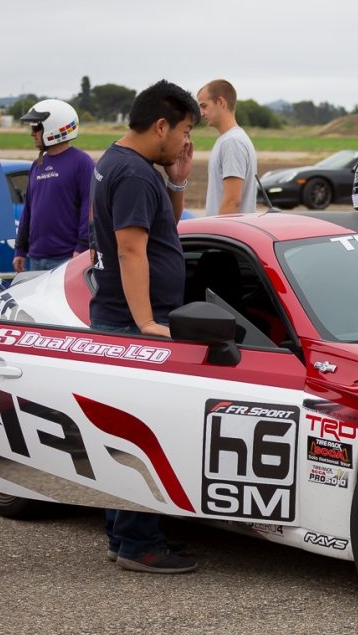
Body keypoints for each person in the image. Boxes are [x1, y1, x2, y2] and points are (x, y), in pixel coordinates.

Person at [89, 79, 199, 574]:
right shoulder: (132, 173)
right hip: (129, 323)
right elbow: (131, 248)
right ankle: (138, 543)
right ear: (161, 125)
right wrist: (147, 322)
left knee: (120, 428)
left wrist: (177, 178)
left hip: (121, 316)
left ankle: (121, 535)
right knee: (138, 432)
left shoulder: (125, 163)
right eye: (184, 131)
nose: (185, 141)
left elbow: (164, 228)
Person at [13, 99, 95, 272]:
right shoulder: (37, 164)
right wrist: (20, 249)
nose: (32, 134)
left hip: (67, 258)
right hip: (35, 257)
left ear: (54, 128)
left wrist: (81, 248)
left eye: (36, 128)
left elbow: (89, 208)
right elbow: (29, 210)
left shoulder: (82, 162)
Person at [196, 79, 258, 215]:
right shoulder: (229, 139)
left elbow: (232, 202)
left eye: (204, 106)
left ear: (220, 102)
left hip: (226, 234)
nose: (201, 113)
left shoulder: (232, 142)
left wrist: (216, 235)